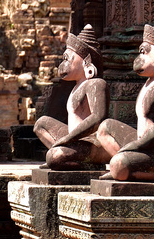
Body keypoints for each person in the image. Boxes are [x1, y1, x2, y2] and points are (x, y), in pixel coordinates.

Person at [96, 12, 154, 181]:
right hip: (148, 146)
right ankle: (132, 169)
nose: (140, 57)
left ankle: (152, 174)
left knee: (118, 164)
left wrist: (138, 145)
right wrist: (138, 145)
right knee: (105, 128)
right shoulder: (149, 83)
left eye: (145, 51)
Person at [33, 24, 110, 169]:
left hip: (92, 143)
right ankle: (66, 155)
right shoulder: (76, 87)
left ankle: (80, 161)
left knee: (53, 157)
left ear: (86, 61)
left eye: (67, 59)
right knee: (41, 123)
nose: (63, 64)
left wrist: (69, 138)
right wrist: (69, 139)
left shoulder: (96, 84)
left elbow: (98, 117)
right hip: (75, 140)